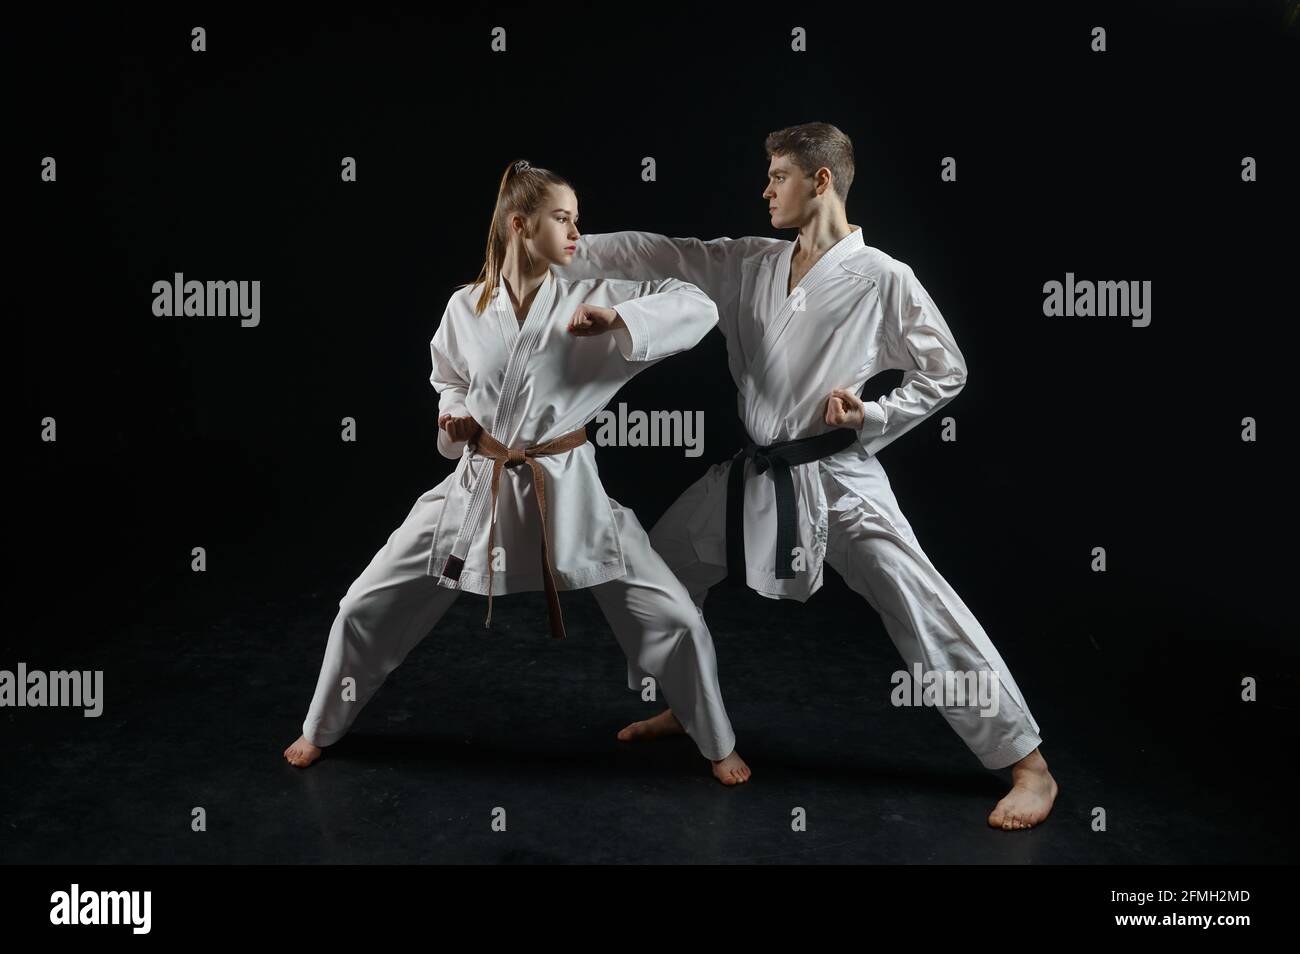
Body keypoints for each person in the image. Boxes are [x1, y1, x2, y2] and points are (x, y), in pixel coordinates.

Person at [556, 123, 1057, 828]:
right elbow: (662, 252)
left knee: (920, 605)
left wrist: (872, 417)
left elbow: (947, 369)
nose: (765, 188)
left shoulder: (883, 277)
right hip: (755, 474)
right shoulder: (750, 263)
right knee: (660, 569)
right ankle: (687, 703)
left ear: (821, 182)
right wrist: (563, 250)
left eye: (779, 175)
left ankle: (1027, 765)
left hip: (838, 480)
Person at [283, 159, 750, 785]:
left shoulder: (591, 298)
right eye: (563, 219)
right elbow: (448, 380)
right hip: (479, 489)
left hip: (570, 493)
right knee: (363, 604)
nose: (577, 233)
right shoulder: (465, 307)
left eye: (577, 220)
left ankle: (718, 743)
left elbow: (696, 305)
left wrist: (622, 320)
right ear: (519, 225)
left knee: (676, 619)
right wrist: (456, 421)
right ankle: (320, 727)